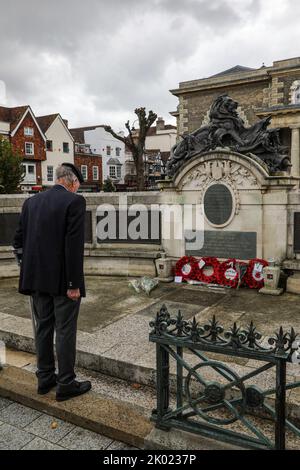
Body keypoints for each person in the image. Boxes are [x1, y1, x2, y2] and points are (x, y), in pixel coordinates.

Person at [13, 163, 91, 402]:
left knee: (43, 328)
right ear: (72, 182)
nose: (77, 190)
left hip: (36, 279)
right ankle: (66, 382)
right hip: (62, 281)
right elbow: (73, 247)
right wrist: (73, 284)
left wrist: (28, 269)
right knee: (65, 330)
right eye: (77, 186)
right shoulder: (74, 202)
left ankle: (45, 377)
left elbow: (18, 241)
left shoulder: (31, 203)